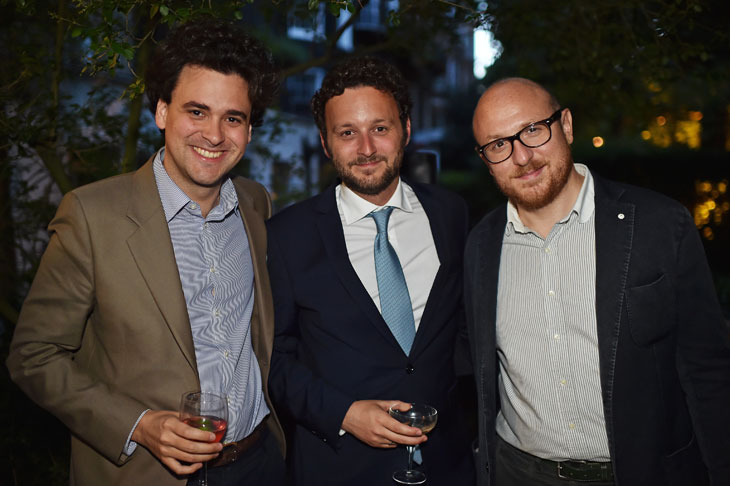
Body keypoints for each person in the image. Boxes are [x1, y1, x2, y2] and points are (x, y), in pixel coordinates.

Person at [7, 20, 287, 486]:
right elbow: (34, 356)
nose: (214, 135)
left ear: (250, 130)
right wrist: (139, 424)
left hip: (258, 463)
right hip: (147, 473)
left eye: (232, 118)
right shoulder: (92, 214)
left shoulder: (256, 205)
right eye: (196, 112)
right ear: (161, 111)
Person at [465, 77, 730, 486]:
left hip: (640, 473)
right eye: (499, 144)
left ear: (566, 125)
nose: (521, 156)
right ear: (485, 159)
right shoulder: (481, 246)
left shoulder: (659, 225)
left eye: (533, 130)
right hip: (518, 473)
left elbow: (707, 369)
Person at [266, 57, 475, 485]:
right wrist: (342, 413)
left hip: (446, 466)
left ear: (406, 130)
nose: (366, 149)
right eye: (347, 133)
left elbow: (462, 328)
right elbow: (272, 359)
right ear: (325, 143)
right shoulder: (286, 236)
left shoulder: (451, 214)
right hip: (339, 467)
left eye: (380, 128)